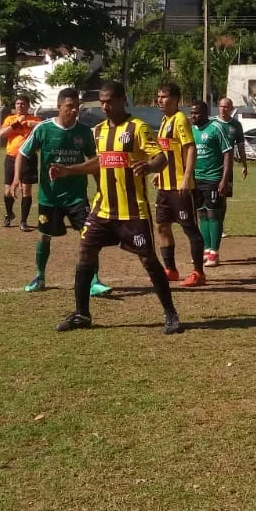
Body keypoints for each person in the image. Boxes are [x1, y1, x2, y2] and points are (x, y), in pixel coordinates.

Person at [47, 80, 182, 335]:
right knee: (85, 254)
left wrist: (149, 166)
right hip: (102, 210)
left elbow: (162, 157)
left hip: (132, 211)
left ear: (123, 100)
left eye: (110, 101)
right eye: (102, 102)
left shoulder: (138, 128)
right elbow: (98, 162)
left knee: (148, 260)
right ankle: (81, 314)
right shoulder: (97, 131)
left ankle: (170, 313)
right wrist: (68, 170)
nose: (105, 106)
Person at [14, 87, 111, 298]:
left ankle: (94, 281)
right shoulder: (44, 129)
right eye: (70, 107)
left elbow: (95, 162)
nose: (74, 110)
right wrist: (15, 180)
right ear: (59, 107)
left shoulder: (84, 132)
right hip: (49, 197)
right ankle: (40, 277)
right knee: (45, 236)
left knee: (89, 237)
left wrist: (101, 188)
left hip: (77, 196)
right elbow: (22, 153)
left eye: (77, 107)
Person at [153, 82, 206, 288]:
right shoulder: (165, 120)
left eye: (164, 97)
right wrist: (159, 173)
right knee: (162, 226)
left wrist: (186, 177)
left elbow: (190, 149)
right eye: (158, 96)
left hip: (180, 187)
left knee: (190, 229)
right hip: (164, 187)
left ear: (175, 99)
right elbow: (166, 152)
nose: (160, 100)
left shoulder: (181, 119)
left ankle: (199, 273)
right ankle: (170, 270)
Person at [190, 99, 234, 267]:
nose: (193, 116)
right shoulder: (191, 130)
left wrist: (224, 179)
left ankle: (214, 253)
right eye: (191, 113)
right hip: (196, 179)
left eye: (196, 113)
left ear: (205, 113)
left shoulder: (216, 128)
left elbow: (228, 153)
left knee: (213, 214)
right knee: (201, 214)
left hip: (213, 178)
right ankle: (206, 250)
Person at [0, 95, 39, 229]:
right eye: (17, 104)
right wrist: (17, 123)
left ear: (28, 105)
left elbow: (45, 127)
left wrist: (31, 124)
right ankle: (9, 214)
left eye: (22, 104)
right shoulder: (10, 119)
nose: (19, 106)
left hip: (29, 158)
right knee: (8, 190)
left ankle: (23, 221)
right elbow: (3, 133)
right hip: (11, 157)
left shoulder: (34, 119)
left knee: (26, 190)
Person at [216, 97, 249, 184]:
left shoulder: (236, 125)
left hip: (227, 168)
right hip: (212, 167)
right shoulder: (212, 123)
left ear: (231, 108)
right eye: (221, 106)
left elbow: (241, 147)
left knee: (224, 194)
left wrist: (244, 165)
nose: (223, 109)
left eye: (225, 107)